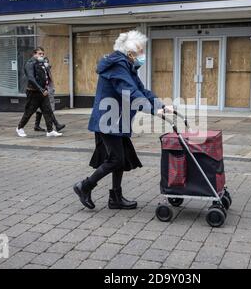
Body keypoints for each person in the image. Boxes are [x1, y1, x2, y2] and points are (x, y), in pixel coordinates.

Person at [73, 30, 173, 210]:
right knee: (116, 160)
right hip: (108, 120)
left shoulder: (127, 66)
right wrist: (152, 110)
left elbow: (141, 90)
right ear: (130, 52)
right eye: (141, 51)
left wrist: (160, 105)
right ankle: (84, 186)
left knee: (119, 158)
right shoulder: (118, 66)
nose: (143, 55)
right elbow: (130, 92)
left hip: (117, 120)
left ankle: (115, 198)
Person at [16, 47, 63, 138]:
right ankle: (19, 127)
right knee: (29, 111)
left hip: (43, 92)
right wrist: (41, 89)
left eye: (42, 54)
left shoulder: (41, 63)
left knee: (48, 110)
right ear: (34, 54)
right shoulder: (30, 63)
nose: (41, 55)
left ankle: (50, 130)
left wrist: (46, 67)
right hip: (33, 92)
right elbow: (31, 78)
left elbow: (44, 77)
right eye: (39, 53)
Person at [33, 57, 66, 132]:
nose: (46, 63)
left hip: (45, 90)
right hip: (44, 91)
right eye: (45, 62)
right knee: (48, 108)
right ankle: (56, 125)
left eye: (47, 62)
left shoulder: (45, 70)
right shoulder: (40, 70)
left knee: (41, 108)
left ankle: (37, 125)